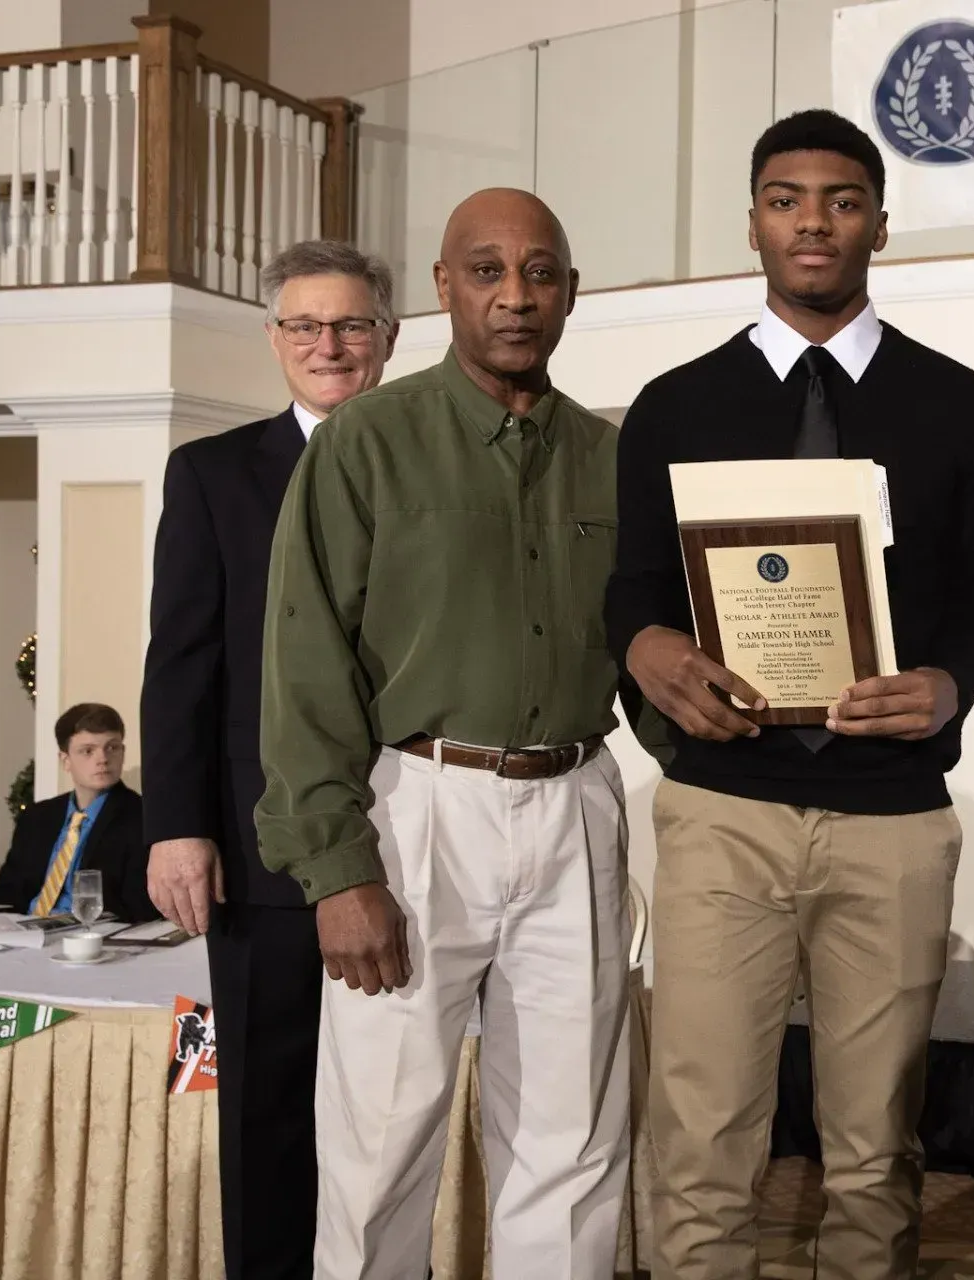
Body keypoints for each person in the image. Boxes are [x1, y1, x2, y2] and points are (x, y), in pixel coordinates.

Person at [606, 108, 974, 1280]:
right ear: (753, 221)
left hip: (892, 819)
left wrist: (948, 682)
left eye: (841, 200)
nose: (814, 222)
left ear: (879, 223)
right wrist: (648, 651)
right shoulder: (674, 405)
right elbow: (630, 588)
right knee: (698, 1128)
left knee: (874, 1139)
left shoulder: (961, 405)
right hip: (722, 811)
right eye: (787, 198)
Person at [256, 189, 628, 1279]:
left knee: (573, 1142)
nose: (516, 295)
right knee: (381, 1142)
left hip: (576, 803)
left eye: (541, 271)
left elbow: (649, 650)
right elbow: (305, 664)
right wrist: (337, 872)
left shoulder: (611, 459)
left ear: (570, 290)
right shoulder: (366, 442)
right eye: (486, 270)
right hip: (416, 810)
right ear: (441, 287)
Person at [140, 240, 397, 1279]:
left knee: (399, 1112)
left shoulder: (437, 466)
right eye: (305, 325)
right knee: (268, 1112)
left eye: (349, 325)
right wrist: (175, 821)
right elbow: (183, 658)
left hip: (420, 833)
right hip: (260, 852)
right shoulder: (210, 474)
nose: (327, 345)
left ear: (388, 337)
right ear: (275, 339)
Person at [0, 702, 154, 922]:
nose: (103, 759)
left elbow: (138, 907)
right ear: (65, 761)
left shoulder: (141, 817)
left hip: (89, 935)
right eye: (88, 751)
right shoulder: (37, 816)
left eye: (112, 747)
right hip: (23, 931)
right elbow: (3, 896)